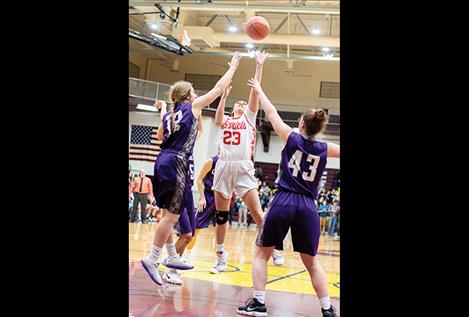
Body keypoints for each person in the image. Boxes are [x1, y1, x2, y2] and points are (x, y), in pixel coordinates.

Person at [237, 77, 339, 316]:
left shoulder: (290, 137)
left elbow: (270, 112)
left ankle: (259, 303)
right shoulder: (325, 148)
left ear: (301, 124)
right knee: (312, 262)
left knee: (262, 254)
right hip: (307, 204)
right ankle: (327, 309)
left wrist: (260, 88)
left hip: (284, 199)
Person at [140, 52, 242, 286]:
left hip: (163, 159)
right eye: (193, 91)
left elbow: (159, 135)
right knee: (172, 216)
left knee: (167, 213)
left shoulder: (169, 114)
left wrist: (163, 111)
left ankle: (173, 258)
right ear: (187, 96)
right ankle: (153, 259)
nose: (196, 94)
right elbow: (217, 89)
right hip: (176, 161)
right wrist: (233, 68)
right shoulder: (191, 106)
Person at [210, 51, 285, 274]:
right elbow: (217, 119)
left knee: (258, 214)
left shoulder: (249, 118)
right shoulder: (227, 119)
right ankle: (221, 257)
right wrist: (223, 97)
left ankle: (277, 248)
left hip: (243, 167)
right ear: (234, 107)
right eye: (239, 102)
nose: (242, 104)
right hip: (223, 166)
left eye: (244, 103)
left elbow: (254, 93)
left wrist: (258, 66)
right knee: (221, 216)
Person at [183, 154, 219, 262]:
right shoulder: (211, 162)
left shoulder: (230, 164)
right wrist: (202, 198)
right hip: (207, 197)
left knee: (219, 231)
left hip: (221, 198)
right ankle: (187, 256)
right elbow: (199, 179)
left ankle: (219, 260)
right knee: (195, 228)